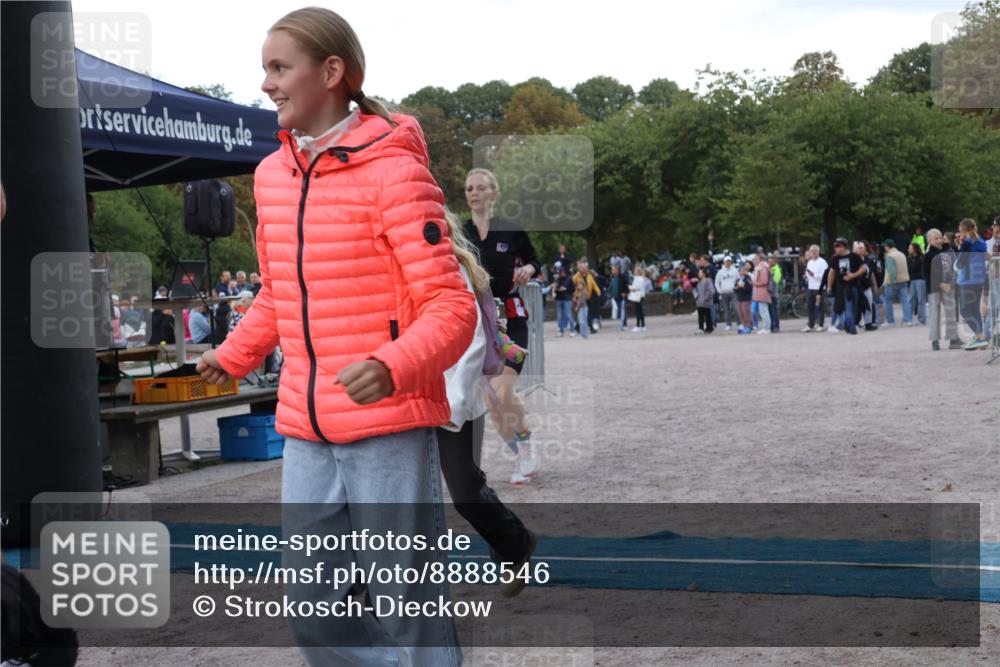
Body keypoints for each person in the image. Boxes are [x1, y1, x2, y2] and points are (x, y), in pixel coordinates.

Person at [196, 8, 476, 664]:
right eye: (264, 68)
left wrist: (393, 363)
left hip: (388, 421)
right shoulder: (272, 175)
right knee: (312, 608)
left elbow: (451, 305)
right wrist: (233, 354)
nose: (266, 83)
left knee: (405, 601)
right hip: (305, 423)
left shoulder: (394, 170)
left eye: (279, 67)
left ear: (330, 72)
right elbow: (279, 291)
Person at [435, 210, 536, 592]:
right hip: (403, 398)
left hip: (454, 395)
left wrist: (454, 404)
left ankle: (514, 542)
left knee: (464, 491)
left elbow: (473, 341)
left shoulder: (455, 268)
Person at [463, 167, 542, 484]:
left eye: (481, 187)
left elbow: (536, 261)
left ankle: (526, 446)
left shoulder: (511, 231)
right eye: (469, 188)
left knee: (502, 390)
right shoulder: (460, 234)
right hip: (478, 323)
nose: (474, 193)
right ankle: (521, 448)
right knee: (492, 403)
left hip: (510, 318)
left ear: (494, 193)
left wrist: (530, 269)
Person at [924, 228, 962, 351]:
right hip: (934, 288)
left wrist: (951, 283)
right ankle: (935, 340)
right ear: (929, 241)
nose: (939, 240)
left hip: (948, 286)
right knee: (935, 314)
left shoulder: (947, 251)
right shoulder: (928, 256)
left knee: (951, 313)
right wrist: (940, 284)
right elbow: (927, 274)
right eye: (936, 238)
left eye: (940, 237)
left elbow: (953, 269)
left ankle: (953, 339)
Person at [956, 218, 989, 350]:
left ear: (965, 230)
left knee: (965, 310)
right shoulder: (981, 241)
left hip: (967, 280)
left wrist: (960, 247)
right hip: (979, 279)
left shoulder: (967, 243)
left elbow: (960, 263)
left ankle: (980, 337)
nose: (959, 233)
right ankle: (979, 338)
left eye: (960, 230)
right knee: (975, 310)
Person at [828, 239, 866, 335]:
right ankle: (852, 327)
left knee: (854, 308)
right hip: (842, 287)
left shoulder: (854, 256)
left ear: (843, 246)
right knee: (848, 307)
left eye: (837, 246)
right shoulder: (835, 258)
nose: (835, 248)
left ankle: (848, 325)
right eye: (834, 246)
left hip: (854, 285)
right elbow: (832, 272)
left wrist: (853, 275)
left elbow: (863, 268)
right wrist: (829, 286)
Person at [881, 238, 912, 327]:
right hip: (904, 280)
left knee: (888, 301)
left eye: (885, 246)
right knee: (905, 300)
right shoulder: (902, 254)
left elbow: (891, 271)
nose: (884, 248)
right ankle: (908, 320)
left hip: (892, 282)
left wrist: (893, 281)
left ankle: (890, 321)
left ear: (887, 247)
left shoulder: (890, 256)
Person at [572, 258, 600, 339]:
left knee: (585, 314)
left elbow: (594, 284)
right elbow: (573, 287)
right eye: (582, 268)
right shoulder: (575, 277)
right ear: (579, 268)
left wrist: (598, 291)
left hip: (588, 296)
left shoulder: (589, 276)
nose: (584, 269)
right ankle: (588, 328)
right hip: (580, 297)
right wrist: (574, 296)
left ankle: (579, 328)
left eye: (585, 268)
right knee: (583, 314)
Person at [803, 244, 828, 332]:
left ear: (818, 252)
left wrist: (814, 275)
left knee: (820, 307)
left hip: (820, 288)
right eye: (811, 251)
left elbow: (824, 276)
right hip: (810, 287)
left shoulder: (823, 262)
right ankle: (811, 324)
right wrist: (807, 276)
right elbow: (807, 273)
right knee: (810, 306)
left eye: (814, 251)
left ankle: (821, 324)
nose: (813, 253)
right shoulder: (809, 262)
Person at [715, 256, 739, 331]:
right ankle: (728, 324)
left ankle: (739, 323)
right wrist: (720, 291)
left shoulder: (735, 270)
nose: (728, 263)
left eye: (729, 261)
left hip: (733, 292)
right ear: (724, 262)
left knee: (736, 308)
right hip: (724, 293)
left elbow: (738, 280)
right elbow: (717, 282)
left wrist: (736, 288)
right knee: (726, 309)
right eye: (726, 261)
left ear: (731, 262)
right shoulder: (720, 272)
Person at [551, 263, 575, 336]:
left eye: (560, 273)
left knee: (568, 315)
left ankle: (572, 330)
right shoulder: (558, 280)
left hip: (567, 299)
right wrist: (556, 289)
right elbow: (555, 290)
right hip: (559, 299)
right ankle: (561, 331)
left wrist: (565, 289)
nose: (559, 274)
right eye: (558, 273)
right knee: (559, 316)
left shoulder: (569, 279)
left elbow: (573, 289)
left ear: (563, 272)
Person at [907, 243, 927, 326]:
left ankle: (921, 320)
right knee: (911, 299)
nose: (908, 249)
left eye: (910, 248)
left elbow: (915, 268)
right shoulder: (909, 258)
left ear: (915, 249)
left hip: (920, 280)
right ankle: (908, 319)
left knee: (921, 300)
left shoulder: (921, 258)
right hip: (912, 280)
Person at [751, 253, 772, 334]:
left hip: (762, 292)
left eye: (756, 259)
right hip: (760, 292)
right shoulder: (761, 267)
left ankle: (767, 328)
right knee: (763, 311)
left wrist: (754, 283)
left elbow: (764, 281)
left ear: (760, 259)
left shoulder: (763, 268)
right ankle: (766, 328)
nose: (754, 261)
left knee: (764, 311)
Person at [628, 264, 649, 332]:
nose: (634, 271)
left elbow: (636, 287)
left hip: (639, 296)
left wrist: (630, 288)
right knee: (639, 311)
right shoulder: (637, 278)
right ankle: (642, 325)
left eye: (635, 270)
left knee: (638, 311)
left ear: (638, 271)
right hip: (638, 296)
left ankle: (639, 326)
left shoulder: (640, 279)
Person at [734, 260, 754, 333]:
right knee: (741, 313)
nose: (741, 272)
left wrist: (743, 287)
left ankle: (749, 326)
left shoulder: (748, 278)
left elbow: (750, 288)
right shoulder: (738, 279)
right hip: (740, 298)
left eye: (743, 270)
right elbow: (735, 289)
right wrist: (737, 287)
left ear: (745, 271)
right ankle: (744, 325)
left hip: (746, 299)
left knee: (746, 313)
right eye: (740, 270)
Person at [609, 262, 630, 331]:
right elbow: (611, 286)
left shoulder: (622, 277)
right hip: (615, 297)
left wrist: (625, 293)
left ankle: (624, 324)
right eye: (612, 270)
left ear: (617, 270)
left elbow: (626, 286)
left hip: (621, 296)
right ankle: (622, 324)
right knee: (619, 311)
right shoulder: (612, 277)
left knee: (623, 310)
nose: (612, 271)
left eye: (613, 270)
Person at [695, 267, 715, 333]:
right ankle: (701, 328)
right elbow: (698, 291)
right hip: (700, 302)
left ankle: (709, 328)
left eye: (700, 272)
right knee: (700, 316)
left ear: (704, 274)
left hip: (706, 302)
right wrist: (697, 298)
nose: (698, 274)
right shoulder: (699, 281)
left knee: (707, 316)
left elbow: (711, 291)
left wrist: (705, 298)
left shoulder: (708, 280)